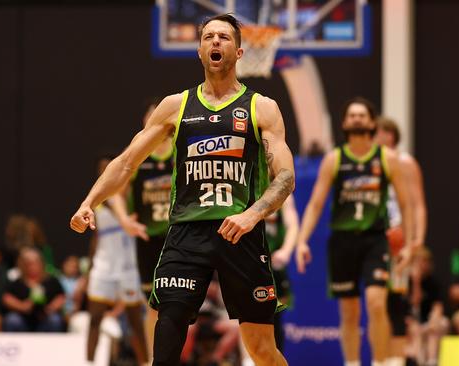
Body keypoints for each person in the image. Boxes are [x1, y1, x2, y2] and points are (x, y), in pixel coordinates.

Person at [70, 13, 294, 366]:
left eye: (224, 37)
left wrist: (252, 215)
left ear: (239, 51)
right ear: (200, 50)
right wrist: (90, 202)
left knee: (262, 350)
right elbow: (127, 162)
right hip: (187, 233)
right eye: (208, 37)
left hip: (242, 234)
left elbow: (285, 177)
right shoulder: (176, 106)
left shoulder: (261, 107)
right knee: (167, 339)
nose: (216, 41)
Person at [295, 97, 415, 366]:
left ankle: (379, 362)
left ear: (372, 122)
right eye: (352, 115)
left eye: (362, 115)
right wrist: (302, 241)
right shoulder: (334, 159)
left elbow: (406, 205)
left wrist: (408, 243)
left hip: (375, 240)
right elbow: (315, 204)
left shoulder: (387, 158)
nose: (357, 119)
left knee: (375, 303)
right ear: (344, 123)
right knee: (349, 311)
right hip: (342, 241)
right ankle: (351, 363)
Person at [84, 154, 149, 366]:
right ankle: (89, 362)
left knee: (135, 321)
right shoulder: (98, 202)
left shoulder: (128, 196)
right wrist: (90, 267)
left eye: (109, 169)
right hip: (103, 265)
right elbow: (96, 237)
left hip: (129, 265)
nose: (106, 174)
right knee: (94, 319)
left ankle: (145, 362)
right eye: (102, 171)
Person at [375, 116, 428, 366]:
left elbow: (417, 205)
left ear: (389, 135)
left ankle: (396, 359)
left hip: (398, 240)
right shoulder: (372, 162)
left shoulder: (405, 162)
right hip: (374, 239)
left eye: (377, 132)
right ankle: (381, 358)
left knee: (397, 303)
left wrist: (416, 240)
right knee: (377, 303)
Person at [127, 97, 174, 355]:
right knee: (152, 305)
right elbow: (119, 191)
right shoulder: (138, 151)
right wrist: (125, 220)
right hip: (146, 237)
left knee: (174, 303)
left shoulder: (179, 150)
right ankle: (151, 360)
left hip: (175, 237)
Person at [265, 194, 300, 351]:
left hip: (274, 268)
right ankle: (247, 361)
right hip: (248, 264)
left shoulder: (281, 192)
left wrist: (286, 251)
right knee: (245, 317)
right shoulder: (243, 185)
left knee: (275, 318)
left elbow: (292, 225)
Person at [2, 247, 66, 332]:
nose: (32, 266)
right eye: (29, 264)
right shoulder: (18, 282)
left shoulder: (51, 281)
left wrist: (52, 307)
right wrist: (22, 306)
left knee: (55, 320)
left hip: (46, 318)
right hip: (23, 319)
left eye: (35, 263)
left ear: (41, 263)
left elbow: (61, 296)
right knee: (12, 320)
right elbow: (6, 297)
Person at [408, 248, 448, 366]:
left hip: (430, 321)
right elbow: (414, 304)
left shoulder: (434, 282)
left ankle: (432, 362)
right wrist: (416, 282)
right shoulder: (408, 282)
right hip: (414, 322)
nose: (422, 265)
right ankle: (417, 361)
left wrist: (433, 321)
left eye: (425, 261)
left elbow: (438, 307)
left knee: (437, 326)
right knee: (414, 330)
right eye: (418, 261)